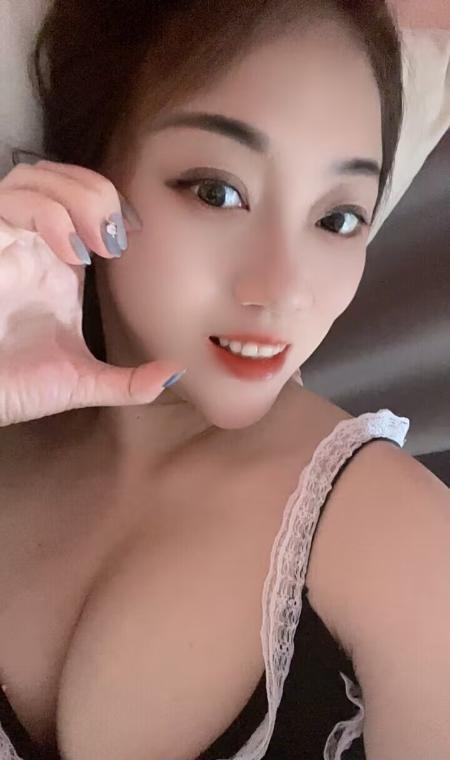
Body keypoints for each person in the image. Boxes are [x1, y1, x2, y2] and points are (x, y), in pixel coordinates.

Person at [0, 2, 448, 760]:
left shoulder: (410, 549)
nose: (281, 289)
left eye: (339, 219)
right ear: (87, 170)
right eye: (218, 192)